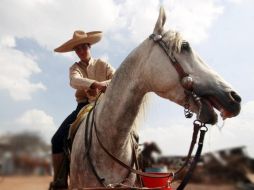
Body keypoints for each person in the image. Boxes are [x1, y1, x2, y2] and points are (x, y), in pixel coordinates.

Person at [50, 30, 115, 189]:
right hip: (84, 105)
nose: (81, 51)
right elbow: (74, 80)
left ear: (89, 46)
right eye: (77, 49)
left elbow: (117, 78)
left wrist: (99, 86)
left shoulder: (103, 64)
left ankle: (134, 172)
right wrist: (93, 84)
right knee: (56, 140)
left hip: (105, 104)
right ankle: (60, 180)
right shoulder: (75, 68)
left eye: (83, 47)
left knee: (131, 132)